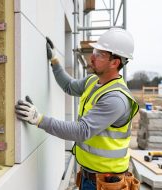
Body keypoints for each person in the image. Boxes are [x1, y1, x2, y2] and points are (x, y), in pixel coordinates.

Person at [15, 28, 139, 190]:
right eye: (95, 51)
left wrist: (38, 119)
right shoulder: (93, 81)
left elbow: (82, 131)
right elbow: (68, 85)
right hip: (90, 176)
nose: (92, 57)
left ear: (115, 63)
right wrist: (54, 60)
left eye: (100, 54)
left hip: (106, 182)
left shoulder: (116, 99)